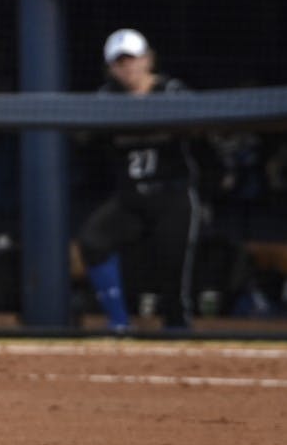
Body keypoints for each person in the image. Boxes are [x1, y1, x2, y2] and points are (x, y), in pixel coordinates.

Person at [78, 29, 199, 332]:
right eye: (119, 62)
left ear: (148, 59)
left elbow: (202, 129)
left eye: (132, 59)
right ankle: (119, 324)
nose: (127, 67)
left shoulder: (172, 91)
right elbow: (82, 136)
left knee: (172, 279)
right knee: (94, 240)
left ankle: (178, 331)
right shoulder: (106, 98)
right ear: (111, 68)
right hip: (131, 198)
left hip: (172, 196)